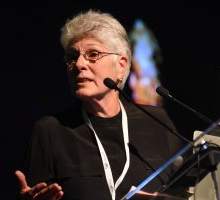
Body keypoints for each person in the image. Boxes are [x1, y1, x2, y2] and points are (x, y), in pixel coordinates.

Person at [15, 9, 184, 200]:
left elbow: (187, 189)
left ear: (121, 65)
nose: (79, 64)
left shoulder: (156, 122)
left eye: (93, 54)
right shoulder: (50, 131)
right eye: (72, 57)